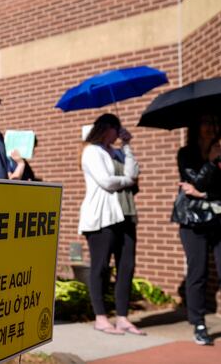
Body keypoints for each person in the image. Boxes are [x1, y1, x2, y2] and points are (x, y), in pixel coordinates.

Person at [175, 115, 221, 347]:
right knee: (198, 273)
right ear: (196, 126)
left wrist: (204, 193)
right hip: (193, 221)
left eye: (215, 123)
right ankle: (198, 323)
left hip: (220, 219)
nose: (211, 127)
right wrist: (210, 162)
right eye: (206, 122)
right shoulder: (185, 153)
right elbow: (195, 182)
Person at [78, 113, 144, 336]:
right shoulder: (91, 151)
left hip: (125, 214)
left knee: (127, 266)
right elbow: (106, 181)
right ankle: (100, 317)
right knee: (101, 267)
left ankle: (123, 318)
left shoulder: (117, 151)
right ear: (108, 128)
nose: (120, 132)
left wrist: (127, 145)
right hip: (102, 217)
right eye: (118, 129)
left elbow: (134, 172)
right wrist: (127, 181)